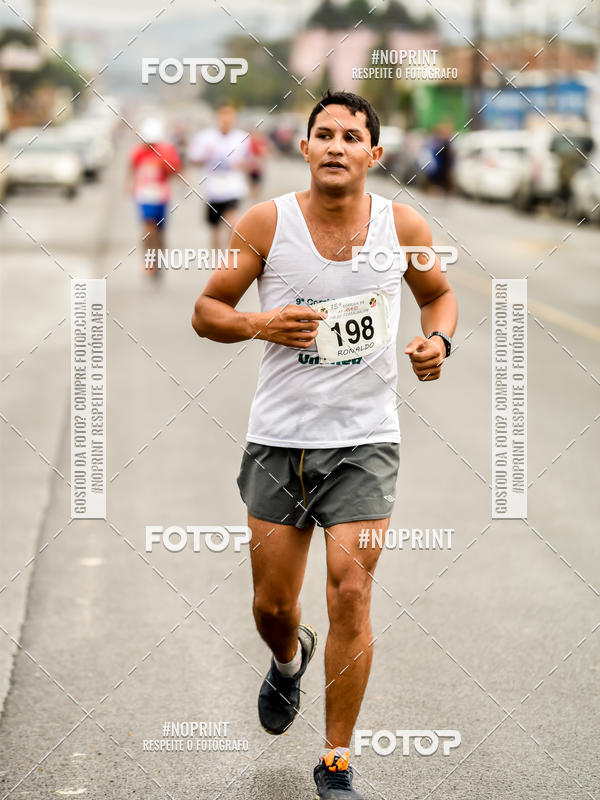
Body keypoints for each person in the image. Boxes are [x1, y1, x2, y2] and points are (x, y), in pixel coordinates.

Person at [191, 90, 458, 799]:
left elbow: (438, 294)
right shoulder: (265, 222)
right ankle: (287, 661)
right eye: (325, 134)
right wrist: (261, 324)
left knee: (351, 593)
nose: (337, 145)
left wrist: (438, 341)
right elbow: (206, 312)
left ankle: (336, 760)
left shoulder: (403, 225)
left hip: (365, 443)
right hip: (279, 441)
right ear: (305, 147)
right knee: (273, 609)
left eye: (352, 136)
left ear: (375, 153)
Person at [187, 101, 251, 250]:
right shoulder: (205, 137)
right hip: (213, 188)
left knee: (232, 222)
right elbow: (193, 160)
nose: (226, 120)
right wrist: (205, 156)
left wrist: (240, 165)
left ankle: (230, 253)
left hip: (233, 186)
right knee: (215, 228)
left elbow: (249, 163)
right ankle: (218, 257)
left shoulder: (242, 138)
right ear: (217, 117)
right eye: (223, 116)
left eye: (230, 116)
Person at [128, 118, 181, 276]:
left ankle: (159, 260)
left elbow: (175, 170)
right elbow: (132, 168)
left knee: (160, 232)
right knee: (148, 228)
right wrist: (131, 185)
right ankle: (148, 260)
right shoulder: (138, 152)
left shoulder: (167, 150)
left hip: (161, 196)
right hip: (144, 196)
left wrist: (164, 164)